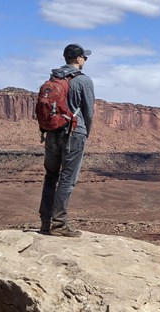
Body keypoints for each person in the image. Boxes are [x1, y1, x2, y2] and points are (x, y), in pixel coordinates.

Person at [39, 43, 95, 237]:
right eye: (84, 58)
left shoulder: (53, 78)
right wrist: (85, 132)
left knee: (51, 176)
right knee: (67, 179)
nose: (85, 60)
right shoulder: (83, 81)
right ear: (79, 59)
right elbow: (88, 111)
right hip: (74, 133)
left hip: (52, 132)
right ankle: (59, 224)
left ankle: (46, 222)